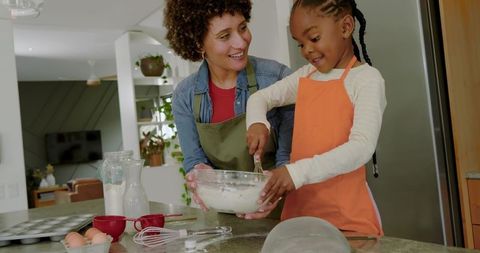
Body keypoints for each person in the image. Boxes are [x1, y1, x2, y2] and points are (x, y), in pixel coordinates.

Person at [244, 0, 386, 236]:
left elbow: (361, 147)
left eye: (314, 38)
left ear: (346, 26)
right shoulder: (306, 76)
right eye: (300, 43)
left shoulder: (366, 80)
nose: (306, 50)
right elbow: (260, 98)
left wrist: (296, 173)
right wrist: (258, 122)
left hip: (347, 221)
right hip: (300, 217)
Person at [163, 0, 295, 204]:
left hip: (282, 208)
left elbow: (288, 159)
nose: (241, 43)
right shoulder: (185, 96)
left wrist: (272, 191)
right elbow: (194, 161)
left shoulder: (277, 78)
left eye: (243, 28)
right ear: (199, 43)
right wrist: (200, 175)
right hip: (227, 214)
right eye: (225, 36)